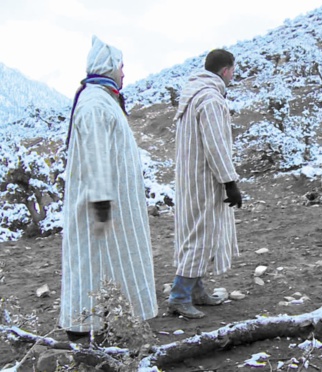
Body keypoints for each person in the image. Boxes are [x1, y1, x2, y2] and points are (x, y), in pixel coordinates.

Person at [60, 36, 158, 340]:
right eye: (121, 66)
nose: (124, 73)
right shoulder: (93, 104)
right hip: (100, 205)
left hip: (113, 203)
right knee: (92, 264)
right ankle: (82, 329)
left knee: (113, 262)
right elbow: (94, 152)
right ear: (108, 67)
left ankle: (111, 324)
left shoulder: (103, 99)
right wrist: (101, 201)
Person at [168, 49, 242, 318]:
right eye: (233, 69)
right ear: (225, 70)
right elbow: (216, 145)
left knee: (197, 232)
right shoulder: (210, 99)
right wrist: (230, 181)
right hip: (204, 178)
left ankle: (197, 290)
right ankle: (179, 295)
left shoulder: (193, 96)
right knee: (202, 233)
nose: (234, 74)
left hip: (190, 178)